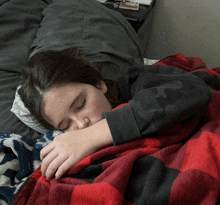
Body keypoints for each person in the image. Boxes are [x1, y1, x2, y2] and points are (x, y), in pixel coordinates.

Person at [18, 47, 212, 180]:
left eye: (80, 104)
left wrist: (91, 136)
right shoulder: (65, 147)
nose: (81, 123)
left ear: (98, 83)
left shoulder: (136, 81)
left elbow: (194, 91)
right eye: (65, 126)